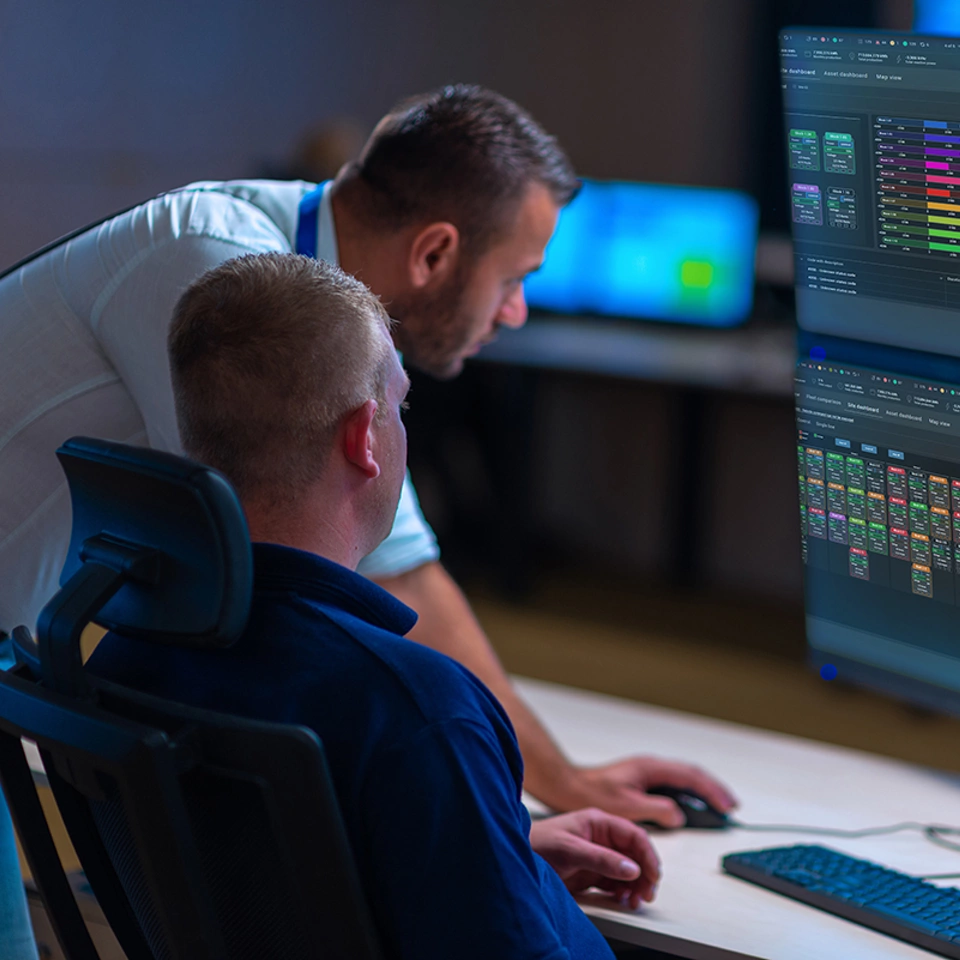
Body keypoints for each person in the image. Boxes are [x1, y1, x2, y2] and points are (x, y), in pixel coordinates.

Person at [0, 83, 735, 824]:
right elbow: (283, 595)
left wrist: (562, 783)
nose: (515, 312)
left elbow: (405, 572)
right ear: (436, 252)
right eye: (514, 279)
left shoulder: (305, 281)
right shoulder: (224, 271)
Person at [89, 253, 660, 959]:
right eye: (401, 404)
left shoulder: (121, 658)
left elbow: (253, 876)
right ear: (364, 438)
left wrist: (495, 849)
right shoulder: (417, 710)